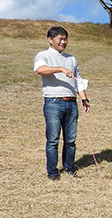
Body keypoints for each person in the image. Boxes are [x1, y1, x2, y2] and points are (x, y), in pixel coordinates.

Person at [34, 26, 90, 180]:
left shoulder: (71, 58)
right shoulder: (43, 55)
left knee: (71, 140)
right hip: (53, 102)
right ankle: (52, 172)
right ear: (50, 40)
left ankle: (69, 168)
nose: (64, 42)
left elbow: (78, 80)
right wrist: (60, 69)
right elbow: (40, 70)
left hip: (72, 103)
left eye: (65, 39)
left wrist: (83, 98)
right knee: (53, 140)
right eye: (60, 38)